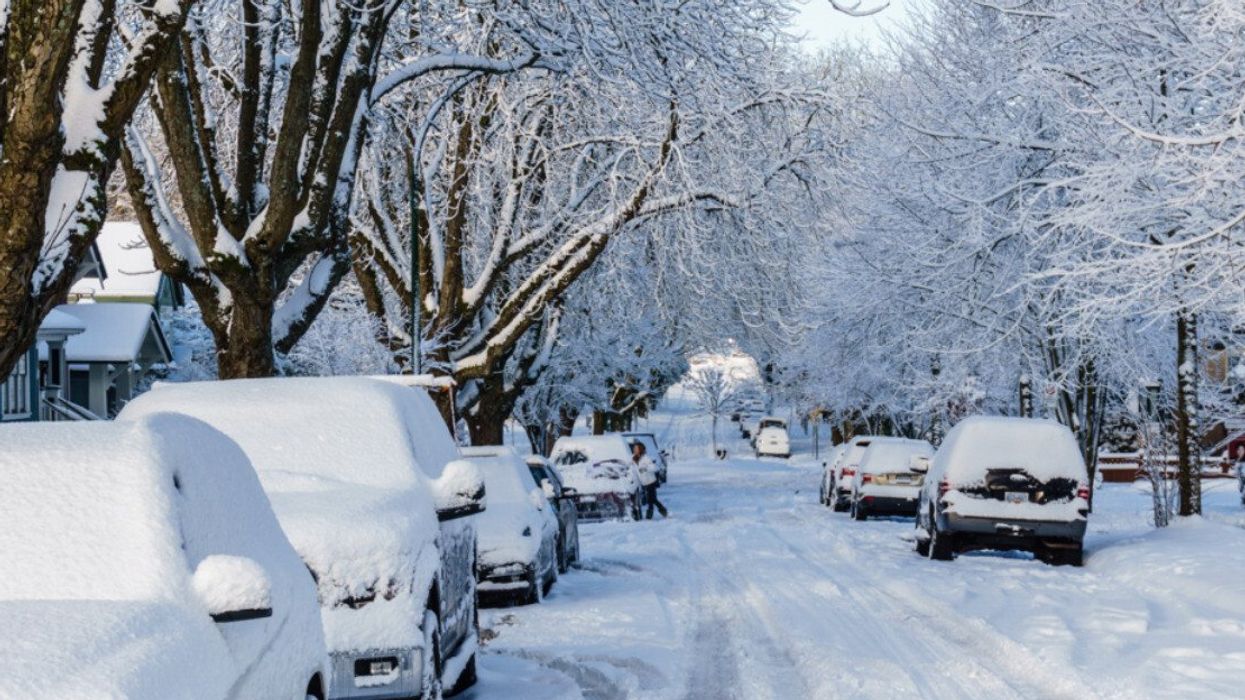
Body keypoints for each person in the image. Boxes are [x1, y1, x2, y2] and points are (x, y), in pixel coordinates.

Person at [632, 441, 667, 519]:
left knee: (650, 500)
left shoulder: (646, 458)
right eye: (634, 448)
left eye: (636, 448)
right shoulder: (634, 459)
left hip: (651, 482)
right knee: (653, 499)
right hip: (643, 482)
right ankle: (662, 510)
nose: (634, 450)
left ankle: (650, 516)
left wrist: (645, 468)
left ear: (640, 449)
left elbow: (654, 467)